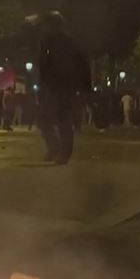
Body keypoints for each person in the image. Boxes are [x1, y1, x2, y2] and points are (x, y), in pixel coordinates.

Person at [36, 11, 90, 164]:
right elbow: (43, 66)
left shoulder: (68, 42)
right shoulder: (46, 42)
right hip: (51, 87)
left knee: (63, 118)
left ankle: (64, 152)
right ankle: (54, 147)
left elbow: (83, 64)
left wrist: (84, 88)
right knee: (44, 119)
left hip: (65, 86)